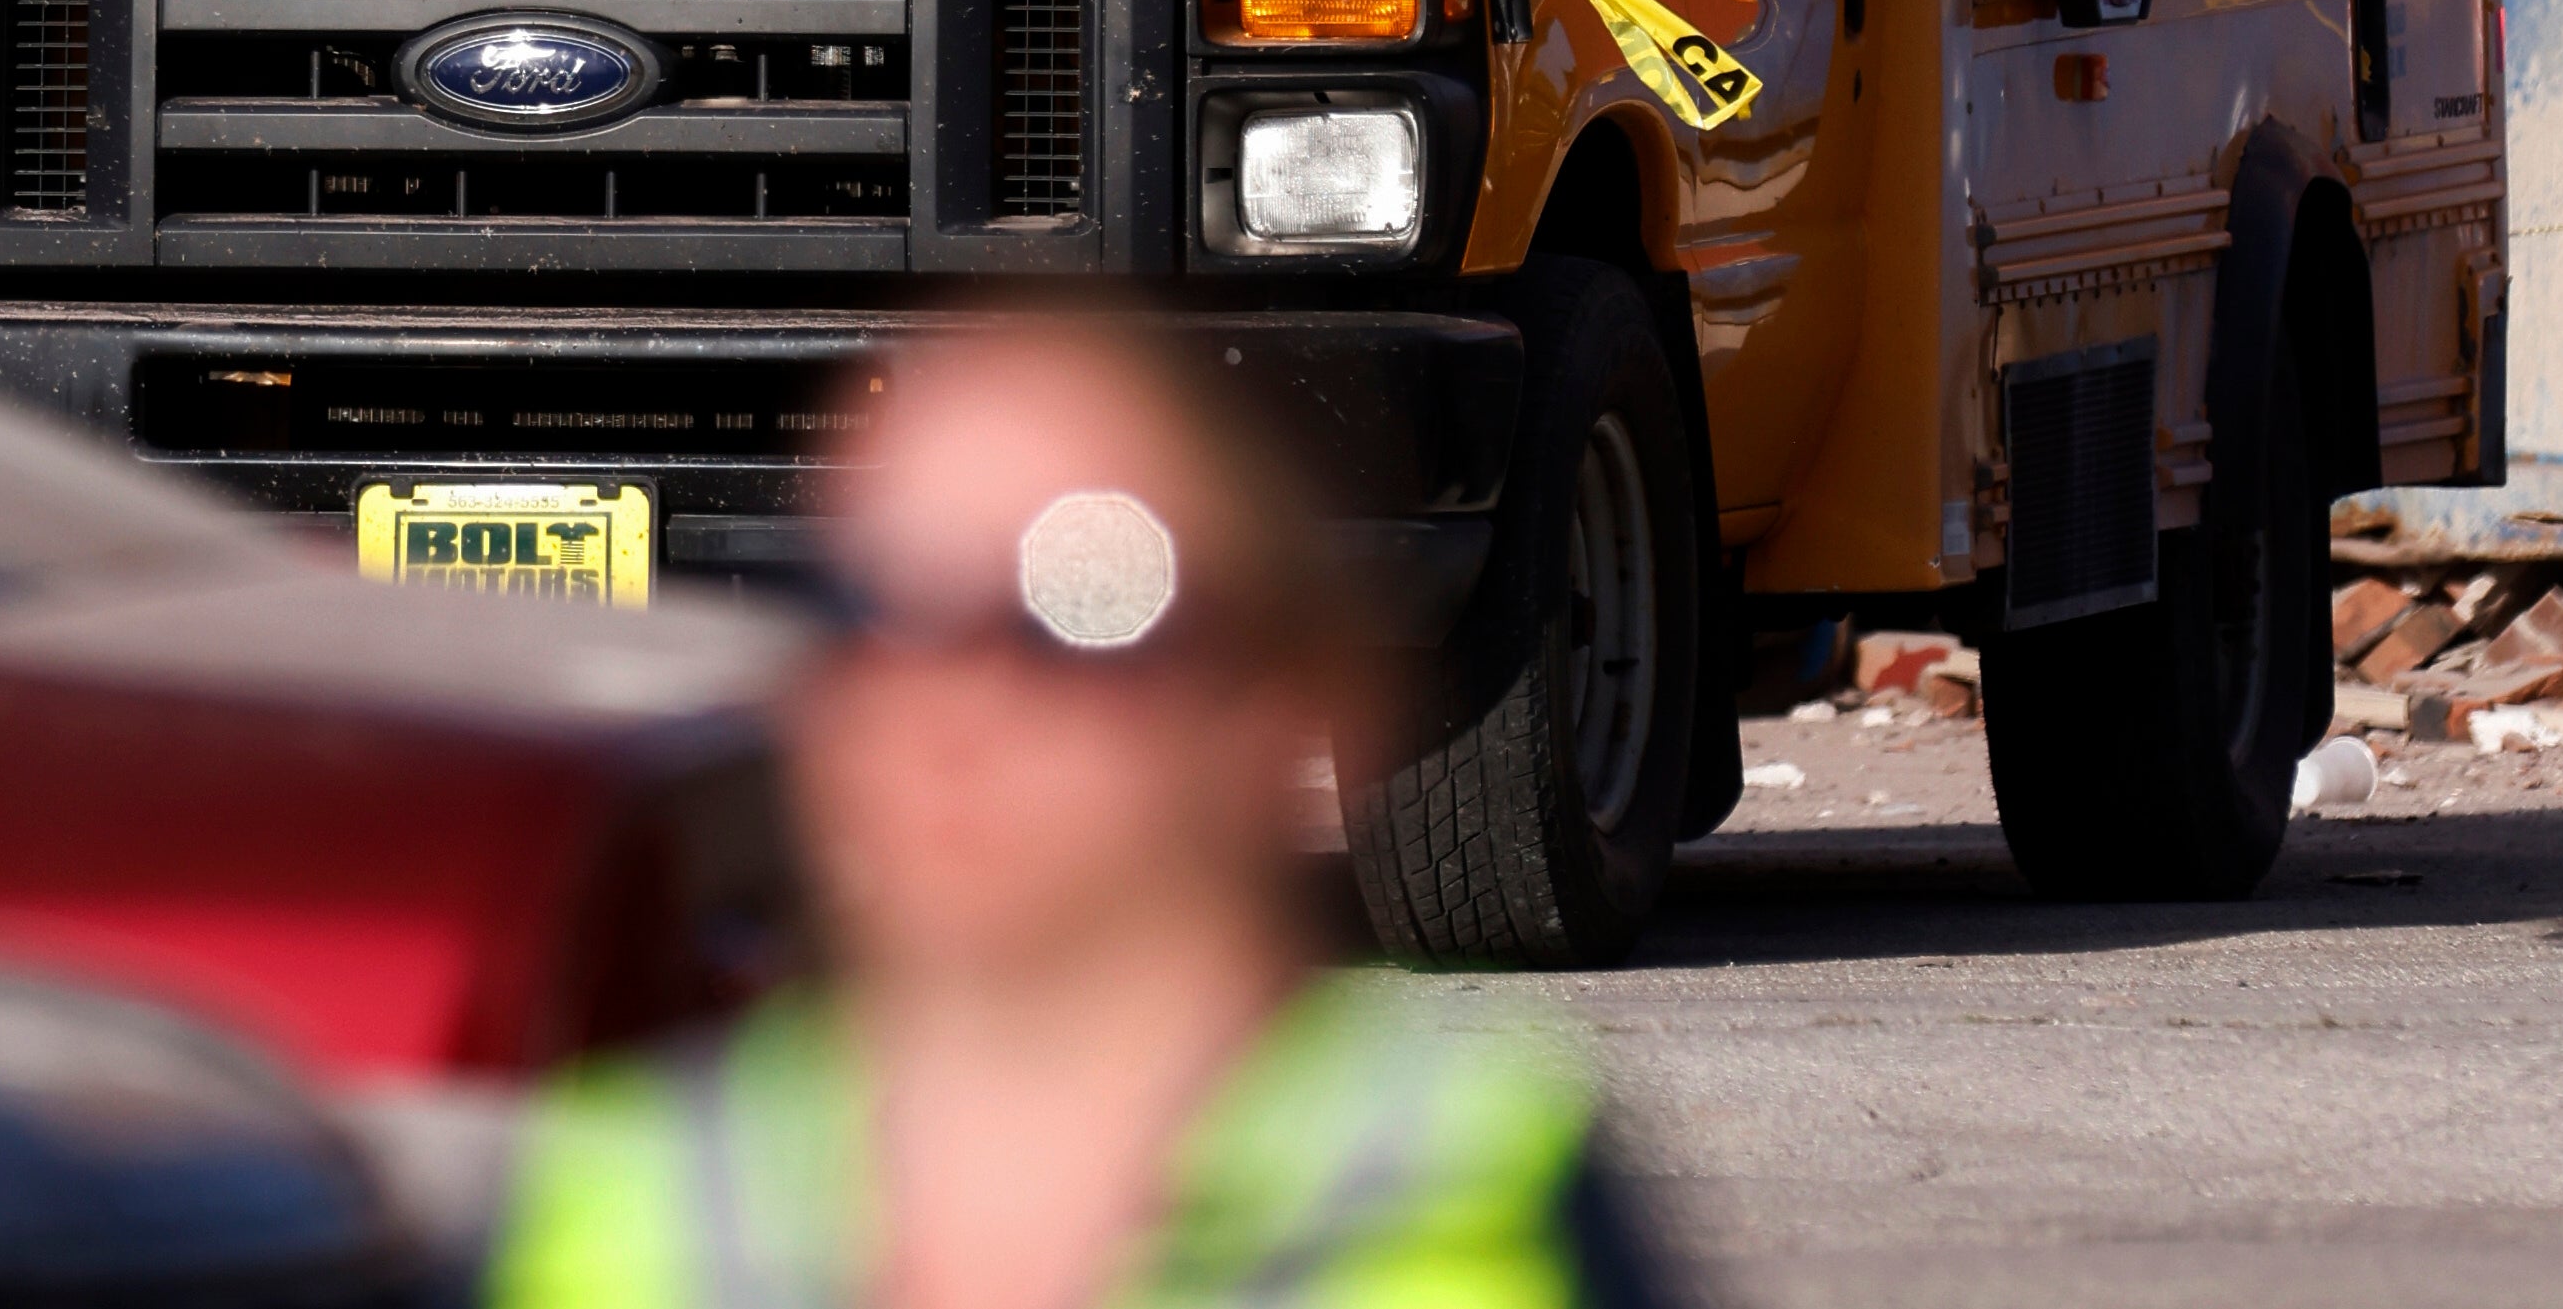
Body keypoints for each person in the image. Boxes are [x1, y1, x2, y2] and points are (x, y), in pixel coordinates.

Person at [486, 309, 1675, 1309]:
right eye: (868, 608)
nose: (951, 697)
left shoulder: (1478, 1191)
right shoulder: (634, 1194)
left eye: (1080, 599)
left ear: (1298, 693)